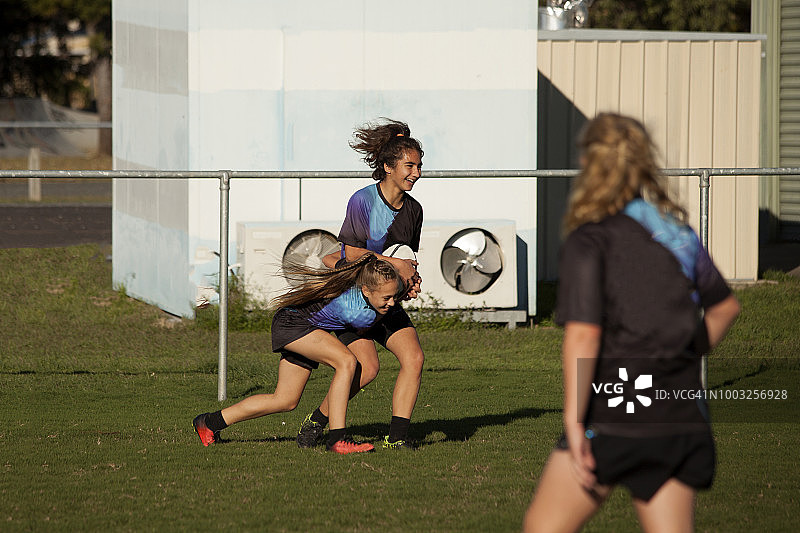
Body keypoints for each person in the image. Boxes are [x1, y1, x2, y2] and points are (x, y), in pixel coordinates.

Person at [524, 113, 741, 532]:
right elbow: (725, 308)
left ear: (588, 163)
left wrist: (574, 422)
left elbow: (584, 335)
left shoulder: (590, 240)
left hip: (613, 415)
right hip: (679, 417)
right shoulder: (677, 233)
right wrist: (681, 354)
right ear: (643, 163)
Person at [296, 118, 425, 450]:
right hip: (354, 300)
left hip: (386, 300)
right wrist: (395, 265)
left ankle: (397, 438)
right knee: (367, 369)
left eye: (419, 166)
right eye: (410, 166)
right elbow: (351, 253)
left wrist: (411, 280)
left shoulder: (414, 210)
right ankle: (317, 421)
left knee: (414, 358)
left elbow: (406, 257)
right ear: (388, 167)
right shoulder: (363, 200)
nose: (416, 173)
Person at [192, 254, 404, 455]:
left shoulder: (361, 290)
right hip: (294, 325)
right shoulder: (357, 311)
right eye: (387, 298)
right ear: (366, 290)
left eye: (395, 296)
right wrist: (406, 290)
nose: (392, 303)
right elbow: (364, 326)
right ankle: (337, 439)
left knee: (285, 400)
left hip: (299, 325)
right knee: (347, 361)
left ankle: (209, 422)